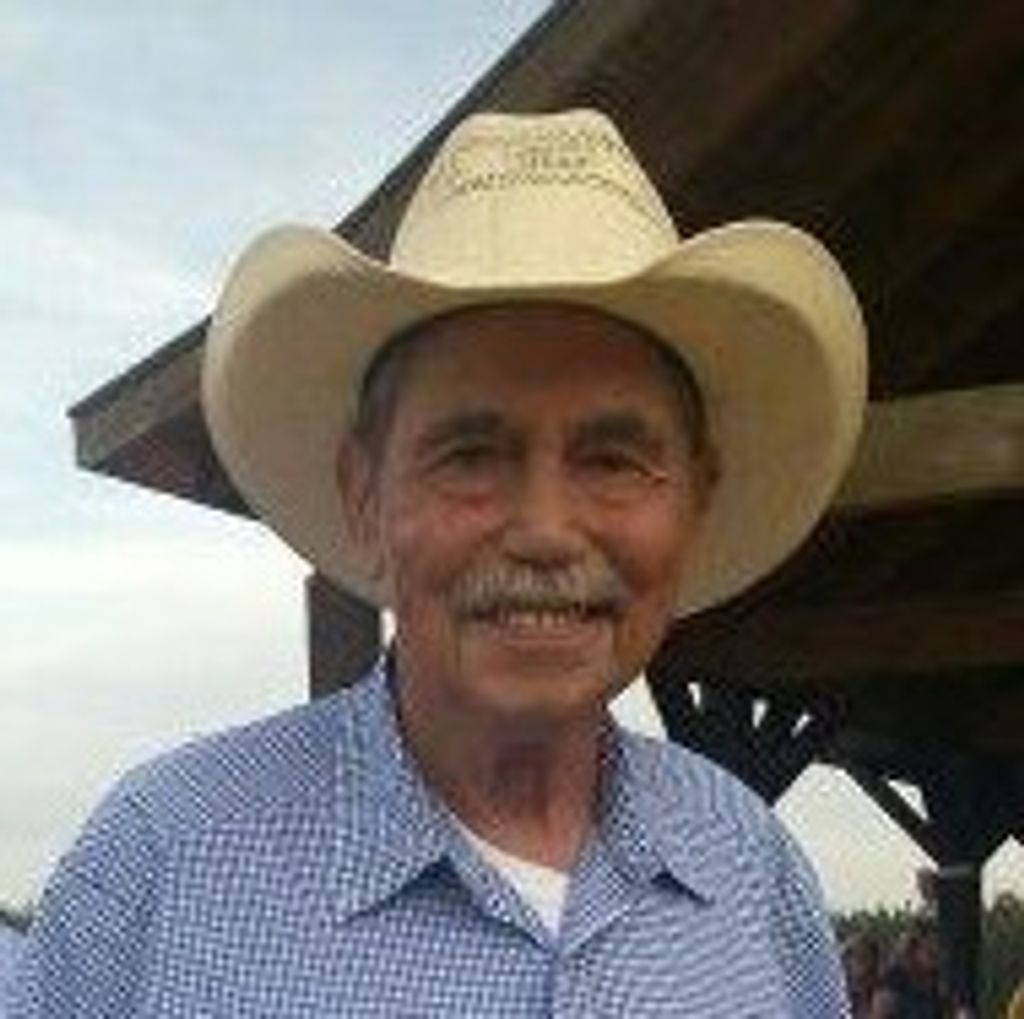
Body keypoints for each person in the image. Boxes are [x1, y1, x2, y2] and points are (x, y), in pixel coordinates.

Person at [8, 108, 867, 1016]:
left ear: (694, 501)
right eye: (471, 455)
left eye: (614, 460)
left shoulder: (754, 872)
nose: (545, 529)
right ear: (364, 494)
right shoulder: (158, 865)